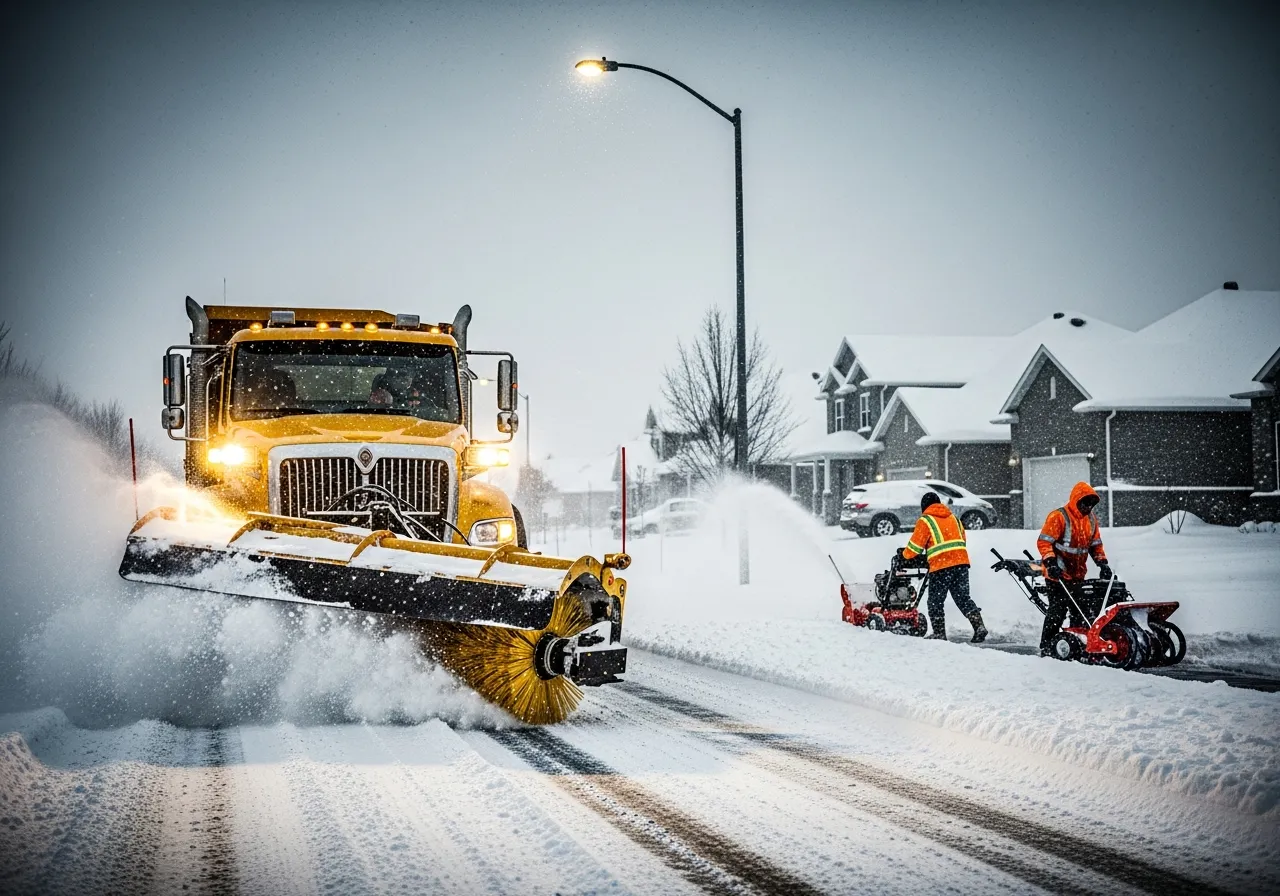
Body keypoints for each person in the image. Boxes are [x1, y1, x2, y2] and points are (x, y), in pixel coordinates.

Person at [900, 491, 988, 642]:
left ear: (924, 506)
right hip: (961, 564)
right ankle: (979, 626)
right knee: (963, 598)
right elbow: (962, 540)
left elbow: (915, 547)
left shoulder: (926, 520)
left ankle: (939, 633)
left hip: (941, 566)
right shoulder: (954, 518)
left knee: (935, 600)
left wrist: (904, 556)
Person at [1036, 481, 1111, 655]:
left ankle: (1078, 644)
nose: (1088, 507)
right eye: (1085, 503)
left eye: (1091, 504)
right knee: (1058, 610)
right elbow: (1044, 542)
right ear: (1076, 500)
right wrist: (1050, 563)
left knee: (1081, 609)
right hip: (1057, 574)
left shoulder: (1091, 520)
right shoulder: (1059, 517)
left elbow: (1096, 545)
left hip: (1078, 574)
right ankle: (1047, 646)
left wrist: (1102, 563)